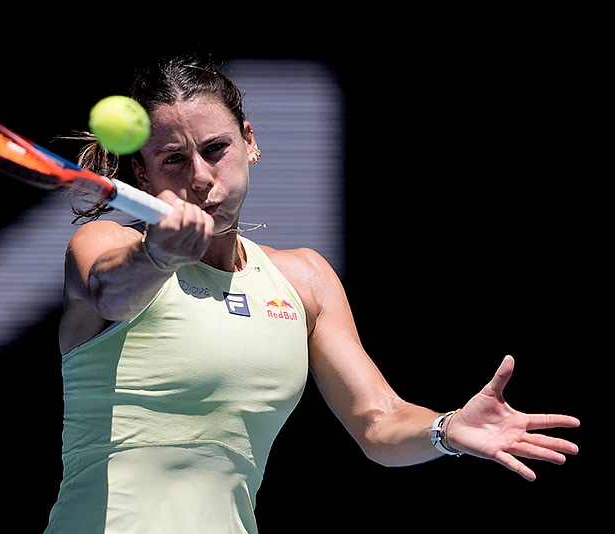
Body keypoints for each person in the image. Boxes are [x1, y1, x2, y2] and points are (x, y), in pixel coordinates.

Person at [43, 51, 580, 534]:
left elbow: (378, 422)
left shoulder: (304, 278)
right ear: (142, 171)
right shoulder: (105, 242)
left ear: (249, 142)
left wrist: (447, 428)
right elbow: (109, 292)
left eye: (215, 149)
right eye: (174, 160)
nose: (202, 178)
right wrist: (160, 253)